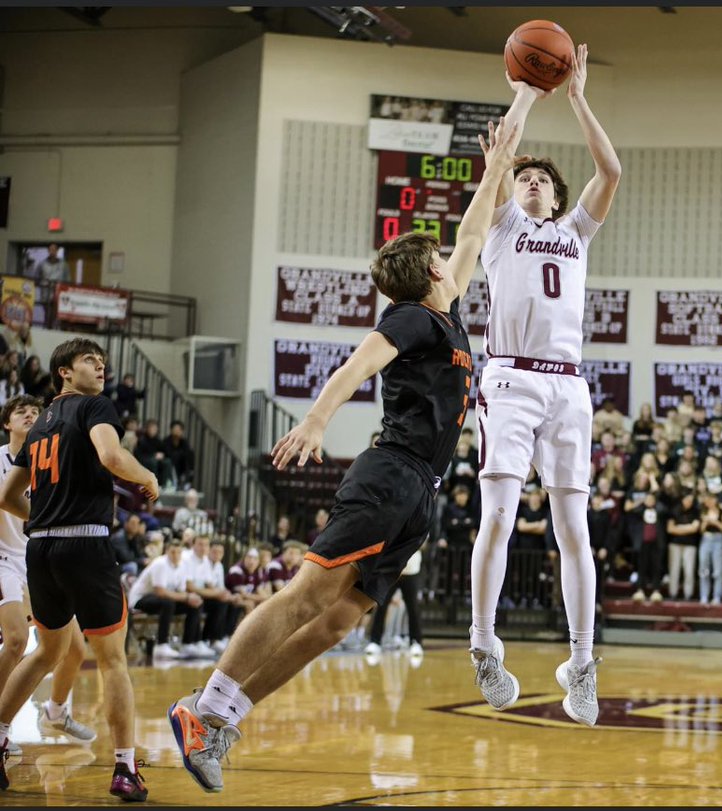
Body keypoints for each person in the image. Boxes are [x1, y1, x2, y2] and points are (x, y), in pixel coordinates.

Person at [166, 116, 518, 794]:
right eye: (442, 254)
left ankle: (224, 718)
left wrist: (497, 166)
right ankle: (203, 706)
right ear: (432, 270)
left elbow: (475, 232)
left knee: (336, 621)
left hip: (420, 490)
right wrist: (317, 419)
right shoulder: (412, 316)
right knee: (308, 594)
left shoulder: (446, 313)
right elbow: (359, 363)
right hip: (390, 473)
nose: (454, 255)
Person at [468, 46, 620, 728]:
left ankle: (581, 664)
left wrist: (578, 96)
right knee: (498, 516)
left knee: (574, 529)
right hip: (509, 377)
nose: (530, 182)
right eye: (523, 177)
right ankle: (484, 645)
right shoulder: (503, 227)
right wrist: (526, 93)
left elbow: (611, 171)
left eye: (540, 179)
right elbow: (501, 158)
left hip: (568, 387)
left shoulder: (576, 232)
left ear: (556, 196)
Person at [0, 338, 160, 800]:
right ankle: (125, 768)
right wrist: (147, 476)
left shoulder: (40, 424)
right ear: (64, 372)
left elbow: (8, 496)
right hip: (86, 544)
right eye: (91, 360)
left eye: (103, 361)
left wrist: (45, 516)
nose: (101, 367)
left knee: (45, 654)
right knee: (112, 660)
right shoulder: (95, 406)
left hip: (41, 550)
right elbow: (111, 457)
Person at [0, 394, 98, 757]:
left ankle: (55, 712)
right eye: (21, 412)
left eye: (35, 411)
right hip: (2, 559)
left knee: (74, 650)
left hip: (36, 557)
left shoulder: (49, 461)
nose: (30, 415)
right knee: (15, 640)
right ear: (7, 423)